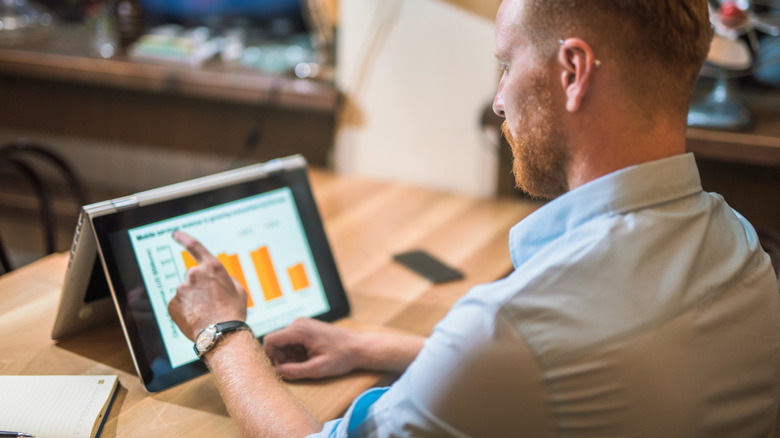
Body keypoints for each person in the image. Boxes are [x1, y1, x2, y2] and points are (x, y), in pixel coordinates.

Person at [168, 0, 780, 436]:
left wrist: (221, 332)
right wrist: (371, 345)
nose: (498, 97)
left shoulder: (508, 328)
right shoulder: (742, 250)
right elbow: (560, 369)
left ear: (573, 72)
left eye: (507, 64)